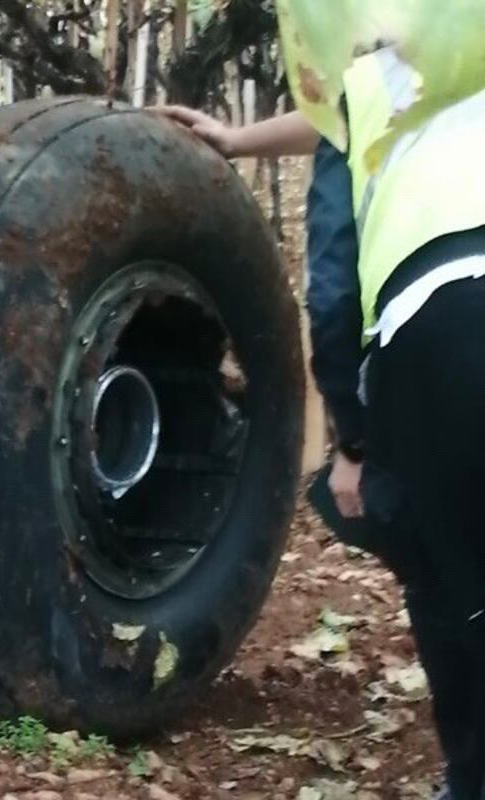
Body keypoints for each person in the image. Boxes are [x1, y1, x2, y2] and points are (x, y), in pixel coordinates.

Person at [157, 71, 485, 800]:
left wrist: (353, 440)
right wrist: (241, 138)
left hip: (435, 331)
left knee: (441, 573)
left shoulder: (375, 65)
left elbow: (333, 288)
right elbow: (336, 113)